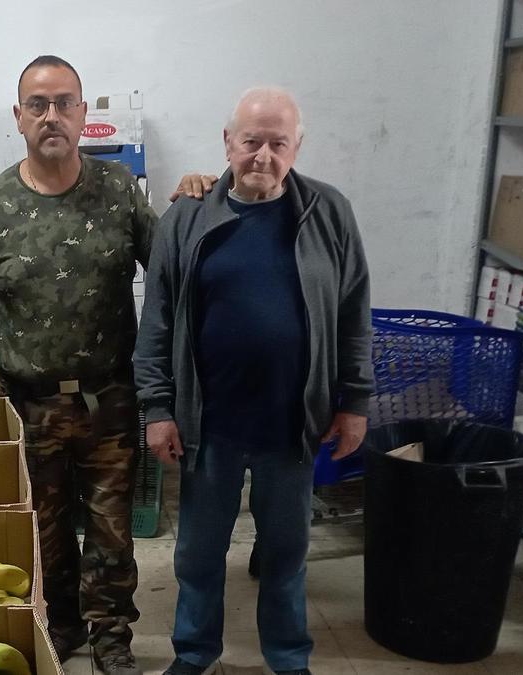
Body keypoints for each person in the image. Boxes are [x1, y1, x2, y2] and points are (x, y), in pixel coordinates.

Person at [134, 87, 374, 675]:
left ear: (297, 147)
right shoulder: (187, 216)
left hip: (292, 424)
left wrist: (356, 402)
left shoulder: (329, 212)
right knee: (198, 555)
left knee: (288, 555)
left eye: (277, 143)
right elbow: (157, 319)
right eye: (250, 142)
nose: (262, 155)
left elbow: (353, 313)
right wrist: (157, 408)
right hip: (207, 424)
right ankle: (194, 654)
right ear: (227, 143)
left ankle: (289, 659)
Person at [0, 55, 156, 675]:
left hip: (108, 397)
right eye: (38, 105)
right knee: (42, 530)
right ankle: (60, 626)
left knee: (110, 531)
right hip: (27, 400)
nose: (52, 116)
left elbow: (173, 276)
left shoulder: (121, 192)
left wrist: (203, 192)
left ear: (82, 114)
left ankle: (112, 637)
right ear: (18, 118)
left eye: (64, 102)